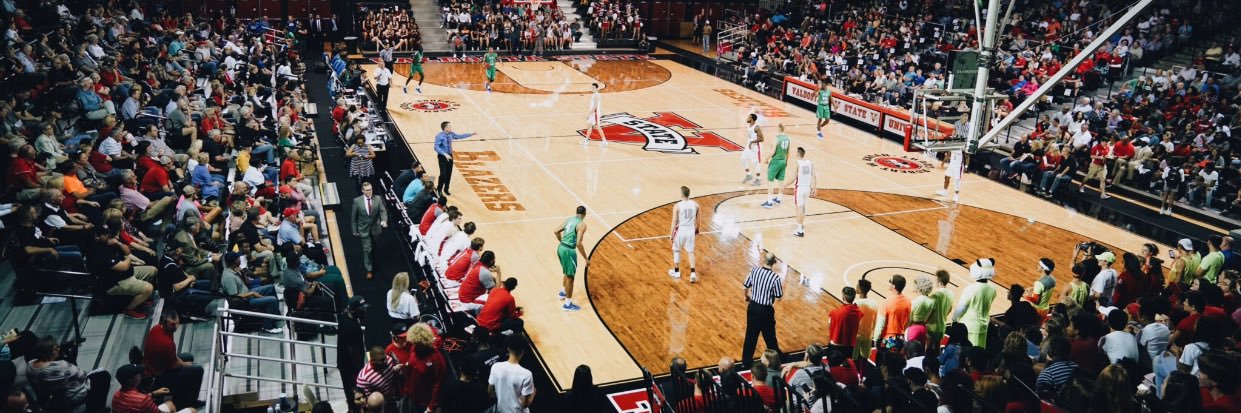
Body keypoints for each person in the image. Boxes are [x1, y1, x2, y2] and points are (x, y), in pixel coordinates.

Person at [26, 336, 110, 412]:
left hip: (47, 398)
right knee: (103, 376)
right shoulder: (62, 365)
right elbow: (82, 375)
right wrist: (71, 361)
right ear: (49, 352)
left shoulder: (30, 365)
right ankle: (96, 410)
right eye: (56, 348)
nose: (58, 349)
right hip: (67, 397)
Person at [143, 310, 204, 409]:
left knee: (188, 356)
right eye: (172, 325)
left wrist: (183, 362)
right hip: (159, 375)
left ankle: (182, 393)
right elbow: (175, 365)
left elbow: (173, 358)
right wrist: (185, 364)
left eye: (177, 323)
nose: (175, 327)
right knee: (197, 370)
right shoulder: (165, 343)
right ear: (164, 323)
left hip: (157, 365)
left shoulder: (157, 328)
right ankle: (190, 402)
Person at [220, 252, 282, 334]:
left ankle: (274, 314)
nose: (240, 259)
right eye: (238, 258)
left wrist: (242, 273)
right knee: (272, 300)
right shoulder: (229, 277)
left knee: (271, 287)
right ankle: (267, 326)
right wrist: (252, 294)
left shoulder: (233, 270)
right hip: (244, 302)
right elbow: (234, 298)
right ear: (235, 261)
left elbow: (248, 283)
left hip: (247, 293)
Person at [741, 251, 783, 367]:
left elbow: (745, 286)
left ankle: (746, 362)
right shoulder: (775, 278)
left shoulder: (754, 271)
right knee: (769, 335)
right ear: (774, 263)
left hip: (753, 307)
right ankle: (776, 358)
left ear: (763, 260)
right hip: (766, 310)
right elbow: (779, 297)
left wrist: (747, 296)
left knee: (750, 335)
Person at [111, 364, 194, 413]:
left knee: (170, 404)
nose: (140, 375)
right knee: (192, 410)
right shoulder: (143, 400)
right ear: (131, 380)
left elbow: (136, 403)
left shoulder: (116, 395)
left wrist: (153, 393)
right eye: (137, 374)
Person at [953, 258, 998, 347]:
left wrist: (954, 319)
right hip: (984, 325)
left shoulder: (971, 289)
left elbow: (962, 307)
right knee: (980, 352)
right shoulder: (993, 289)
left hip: (969, 326)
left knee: (970, 353)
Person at [554, 206, 588, 311]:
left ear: (576, 212)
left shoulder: (569, 219)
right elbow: (578, 243)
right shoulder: (582, 224)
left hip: (561, 248)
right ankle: (568, 304)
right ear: (585, 214)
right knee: (571, 277)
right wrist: (586, 258)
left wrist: (561, 242)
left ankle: (562, 292)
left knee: (566, 272)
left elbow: (556, 231)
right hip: (568, 251)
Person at [489, 334, 535, 412]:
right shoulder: (526, 374)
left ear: (508, 348)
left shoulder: (495, 367)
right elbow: (524, 405)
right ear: (522, 351)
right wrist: (533, 393)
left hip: (500, 410)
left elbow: (490, 392)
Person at [351, 181, 387, 280]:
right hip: (363, 229)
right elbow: (354, 217)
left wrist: (384, 220)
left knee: (374, 246)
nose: (369, 192)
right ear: (362, 191)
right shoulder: (357, 201)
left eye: (370, 189)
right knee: (367, 250)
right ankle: (369, 269)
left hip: (375, 228)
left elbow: (382, 211)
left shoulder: (378, 199)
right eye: (367, 190)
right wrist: (354, 229)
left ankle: (372, 257)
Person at [338, 297, 368, 413]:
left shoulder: (344, 317)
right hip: (351, 369)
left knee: (350, 395)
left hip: (344, 364)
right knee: (356, 397)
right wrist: (361, 373)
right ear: (354, 311)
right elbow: (353, 354)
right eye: (362, 309)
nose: (365, 311)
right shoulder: (353, 328)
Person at [433, 121, 476, 197]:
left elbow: (459, 136)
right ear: (445, 128)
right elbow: (436, 147)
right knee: (443, 174)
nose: (451, 127)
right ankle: (439, 189)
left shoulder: (451, 134)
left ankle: (446, 189)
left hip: (450, 156)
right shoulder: (439, 136)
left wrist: (470, 134)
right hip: (442, 157)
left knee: (449, 173)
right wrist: (444, 154)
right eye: (449, 126)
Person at [668, 186, 700, 282]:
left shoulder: (677, 206)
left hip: (680, 231)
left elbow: (674, 222)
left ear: (682, 194)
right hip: (690, 231)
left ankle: (677, 271)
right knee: (690, 252)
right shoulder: (696, 205)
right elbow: (698, 220)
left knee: (676, 250)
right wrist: (697, 230)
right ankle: (693, 273)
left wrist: (670, 234)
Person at [827, 286, 863, 357]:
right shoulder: (859, 312)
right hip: (849, 346)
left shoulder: (835, 313)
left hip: (835, 345)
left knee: (833, 367)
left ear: (843, 297)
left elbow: (830, 326)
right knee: (847, 365)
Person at [760, 124, 791, 208]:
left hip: (776, 162)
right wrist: (786, 162)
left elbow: (773, 152)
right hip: (783, 161)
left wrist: (766, 158)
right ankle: (779, 199)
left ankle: (769, 203)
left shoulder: (776, 138)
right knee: (781, 181)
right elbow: (788, 152)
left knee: (770, 182)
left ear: (779, 128)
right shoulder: (788, 138)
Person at [790, 147, 815, 237]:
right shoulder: (810, 163)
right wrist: (814, 188)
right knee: (803, 208)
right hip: (807, 188)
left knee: (799, 210)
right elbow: (814, 176)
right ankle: (801, 224)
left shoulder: (797, 163)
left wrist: (784, 185)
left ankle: (799, 230)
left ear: (797, 153)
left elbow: (793, 178)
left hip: (799, 189)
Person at [854, 278, 880, 360]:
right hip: (868, 334)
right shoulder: (874, 303)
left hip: (856, 335)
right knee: (865, 357)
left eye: (857, 286)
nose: (856, 287)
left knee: (853, 357)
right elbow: (875, 321)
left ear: (861, 290)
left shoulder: (856, 304)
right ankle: (862, 372)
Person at [741, 113, 764, 186]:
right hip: (749, 146)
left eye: (748, 117)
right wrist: (749, 142)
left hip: (755, 147)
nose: (747, 118)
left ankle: (758, 179)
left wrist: (752, 142)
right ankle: (749, 175)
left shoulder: (757, 127)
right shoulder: (748, 125)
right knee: (743, 159)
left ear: (751, 118)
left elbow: (762, 139)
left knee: (756, 163)